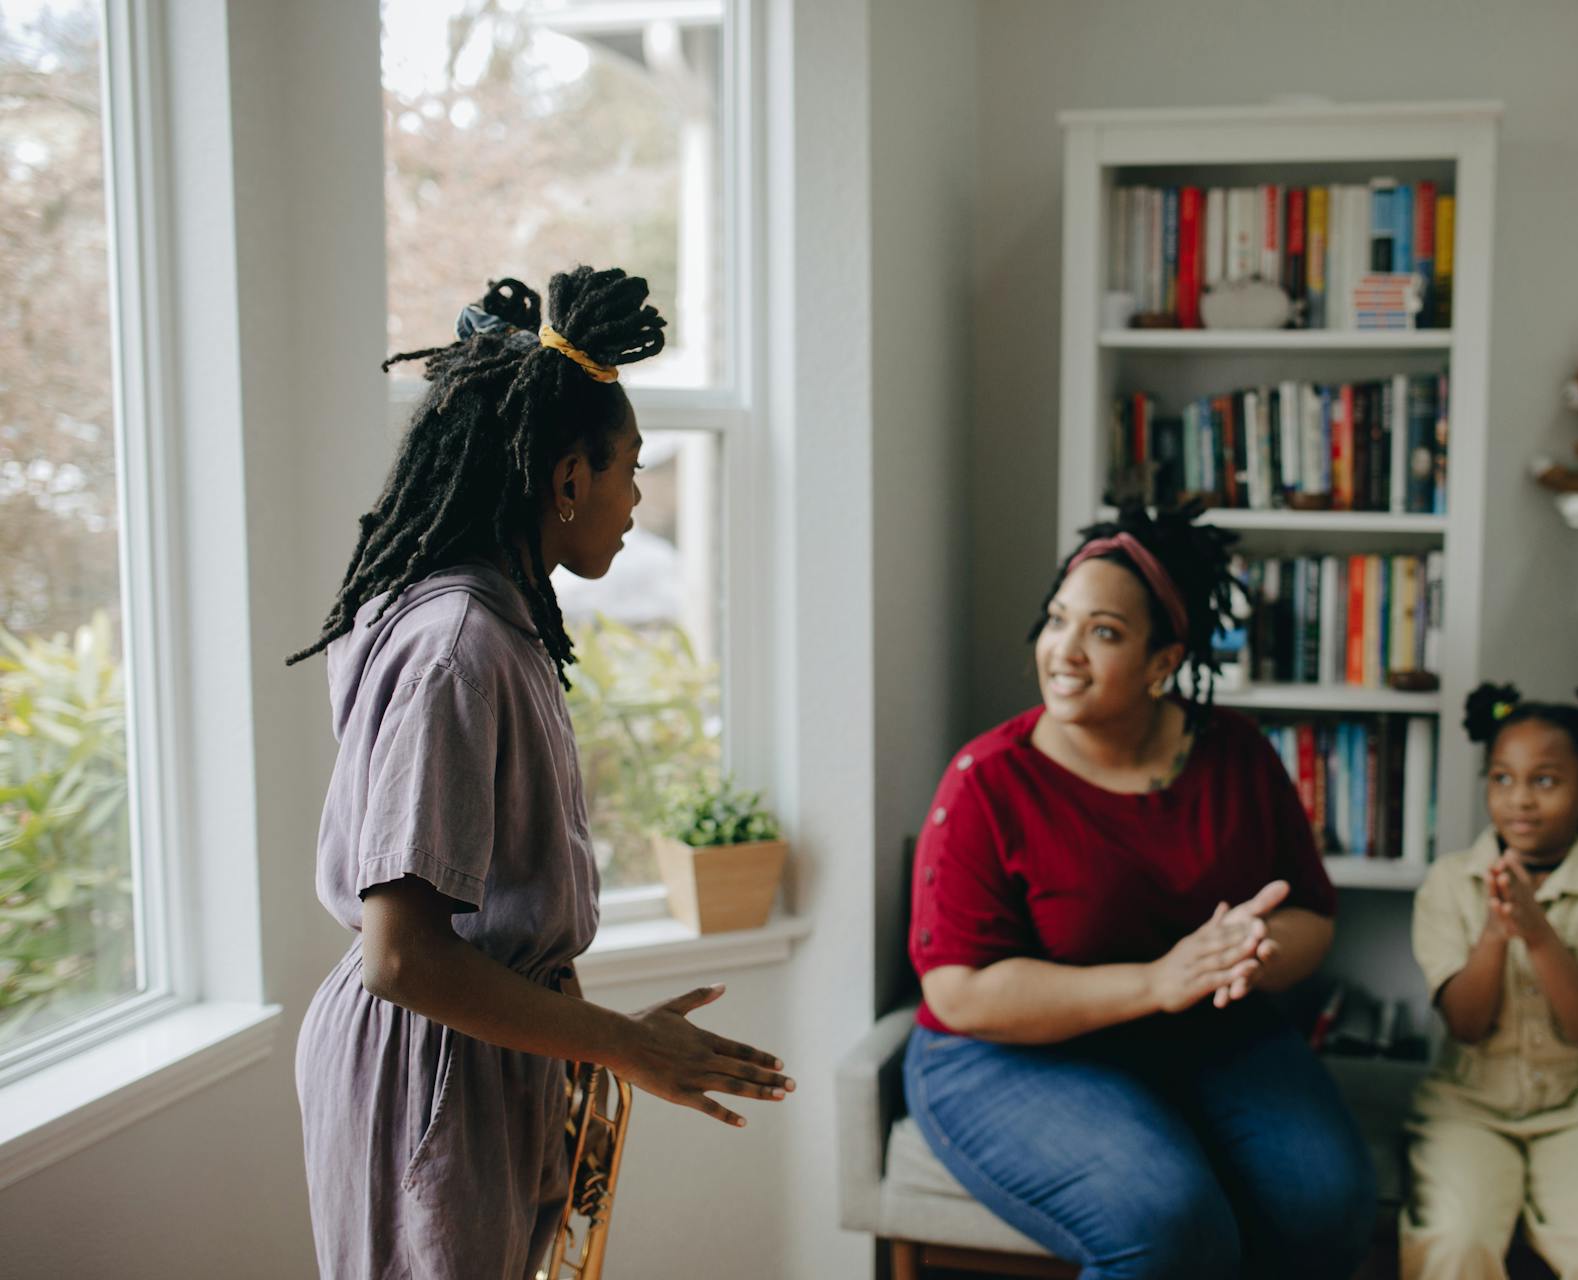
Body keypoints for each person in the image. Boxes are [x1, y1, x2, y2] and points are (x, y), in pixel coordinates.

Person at [288, 267, 792, 1280]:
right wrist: (625, 1042)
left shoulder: (493, 624)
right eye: (630, 468)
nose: (638, 496)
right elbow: (403, 955)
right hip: (431, 1067)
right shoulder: (456, 646)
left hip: (478, 1054)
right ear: (568, 479)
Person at [905, 500, 1376, 1280]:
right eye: (1059, 620)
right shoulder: (988, 780)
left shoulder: (1236, 754)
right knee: (1169, 1222)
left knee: (1328, 1203)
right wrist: (1159, 982)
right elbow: (960, 992)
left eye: (1105, 632)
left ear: (1165, 662)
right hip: (1005, 1055)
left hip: (1209, 1033)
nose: (1065, 651)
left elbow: (1312, 917)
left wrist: (1249, 954)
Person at [1401, 679, 1578, 1280]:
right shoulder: (1448, 883)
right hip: (1468, 1105)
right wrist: (1496, 929)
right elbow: (1464, 1024)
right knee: (1453, 1243)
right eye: (1501, 778)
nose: (1519, 799)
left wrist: (1538, 932)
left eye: (1545, 780)